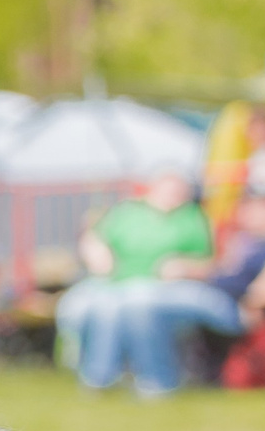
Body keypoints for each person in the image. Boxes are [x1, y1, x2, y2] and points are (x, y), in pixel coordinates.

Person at [54, 170, 241, 396]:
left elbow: (213, 264)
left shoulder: (193, 218)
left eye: (179, 190)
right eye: (168, 188)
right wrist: (96, 250)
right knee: (76, 306)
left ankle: (155, 381)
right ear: (152, 188)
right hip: (115, 282)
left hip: (165, 287)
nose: (173, 195)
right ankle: (98, 376)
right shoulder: (126, 211)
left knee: (134, 303)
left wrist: (185, 267)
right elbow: (93, 238)